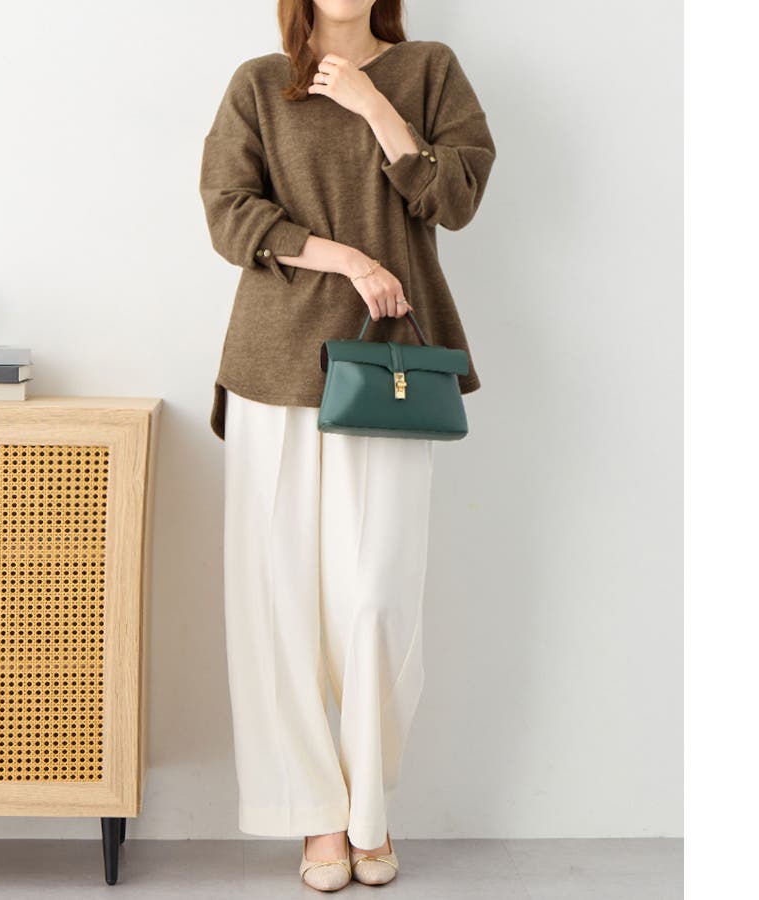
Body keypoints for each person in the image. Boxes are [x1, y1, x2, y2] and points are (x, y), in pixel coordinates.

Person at [199, 0, 496, 890]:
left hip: (390, 368)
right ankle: (315, 817)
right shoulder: (260, 84)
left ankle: (369, 807)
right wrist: (350, 261)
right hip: (274, 365)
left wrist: (374, 107)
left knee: (374, 597)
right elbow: (228, 213)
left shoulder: (428, 70)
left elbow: (457, 199)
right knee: (279, 599)